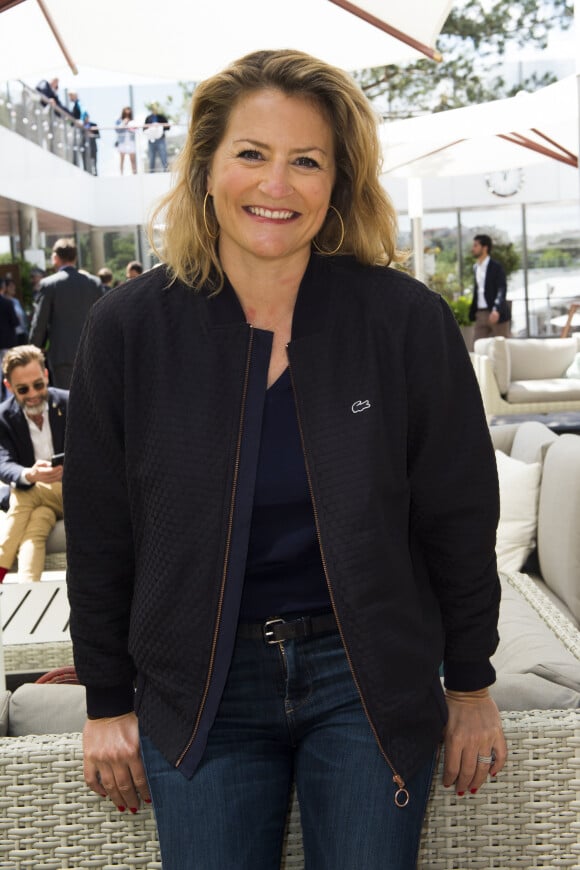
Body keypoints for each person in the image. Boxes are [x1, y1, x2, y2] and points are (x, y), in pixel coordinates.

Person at [64, 49, 507, 870]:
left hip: (366, 678)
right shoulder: (129, 328)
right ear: (205, 169)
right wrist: (105, 700)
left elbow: (458, 513)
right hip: (198, 683)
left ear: (337, 184)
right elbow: (99, 529)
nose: (277, 184)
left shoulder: (403, 323)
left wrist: (472, 684)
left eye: (306, 161)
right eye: (251, 154)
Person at [0, 346, 67, 583]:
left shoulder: (70, 403)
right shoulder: (4, 417)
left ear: (46, 375)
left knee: (23, 494)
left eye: (38, 385)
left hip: (74, 493)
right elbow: (2, 462)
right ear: (9, 388)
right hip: (40, 500)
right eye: (23, 389)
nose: (33, 394)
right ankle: (28, 589)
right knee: (35, 526)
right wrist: (30, 474)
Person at [29, 238, 103, 389]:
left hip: (62, 356)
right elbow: (103, 319)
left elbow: (40, 324)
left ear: (55, 258)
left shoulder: (48, 284)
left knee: (66, 403)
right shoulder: (94, 283)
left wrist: (33, 351)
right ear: (75, 258)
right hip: (92, 353)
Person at [469, 234, 510, 341]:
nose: (472, 249)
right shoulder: (475, 267)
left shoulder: (496, 267)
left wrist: (496, 309)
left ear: (485, 248)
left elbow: (502, 289)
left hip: (495, 314)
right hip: (480, 314)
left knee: (501, 348)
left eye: (475, 246)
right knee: (476, 346)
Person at [0, 283, 19, 400]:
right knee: (8, 370)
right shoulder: (8, 302)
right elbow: (15, 322)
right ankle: (9, 397)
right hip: (7, 342)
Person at [144, 103, 170, 172]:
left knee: (163, 155)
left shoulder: (161, 117)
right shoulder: (148, 118)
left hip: (160, 139)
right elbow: (144, 129)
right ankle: (151, 172)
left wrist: (159, 126)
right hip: (151, 140)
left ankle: (166, 170)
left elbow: (168, 127)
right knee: (151, 157)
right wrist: (151, 127)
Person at [115, 106, 137, 175]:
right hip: (122, 142)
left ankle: (134, 173)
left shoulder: (132, 121)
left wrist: (131, 126)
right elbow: (117, 130)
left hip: (131, 141)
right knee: (122, 159)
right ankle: (121, 174)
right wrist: (123, 123)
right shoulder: (119, 120)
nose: (128, 112)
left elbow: (135, 130)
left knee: (133, 159)